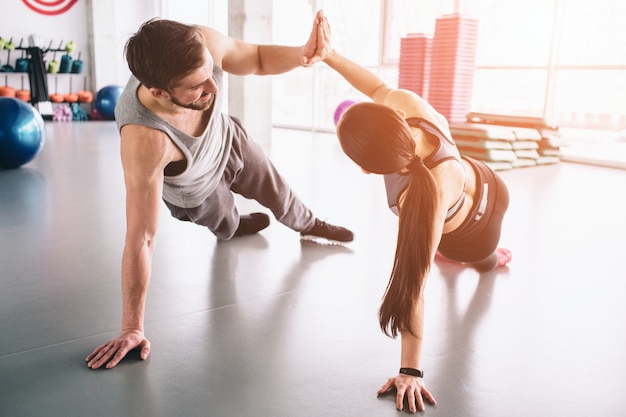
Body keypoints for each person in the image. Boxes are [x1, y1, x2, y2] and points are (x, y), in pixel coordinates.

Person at [86, 15, 353, 370]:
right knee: (225, 224)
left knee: (279, 190)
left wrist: (302, 54)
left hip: (229, 142)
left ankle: (307, 223)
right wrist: (132, 326)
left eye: (210, 73)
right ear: (159, 93)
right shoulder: (145, 139)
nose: (213, 88)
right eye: (197, 86)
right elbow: (142, 238)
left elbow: (255, 57)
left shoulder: (200, 43)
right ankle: (231, 225)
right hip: (197, 190)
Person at [315, 11, 511, 413]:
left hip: (474, 234)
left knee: (479, 259)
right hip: (489, 180)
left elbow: (414, 286)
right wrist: (329, 55)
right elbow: (375, 85)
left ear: (368, 169)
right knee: (437, 242)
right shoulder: (407, 107)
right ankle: (455, 245)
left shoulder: (418, 202)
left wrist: (411, 371)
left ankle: (492, 256)